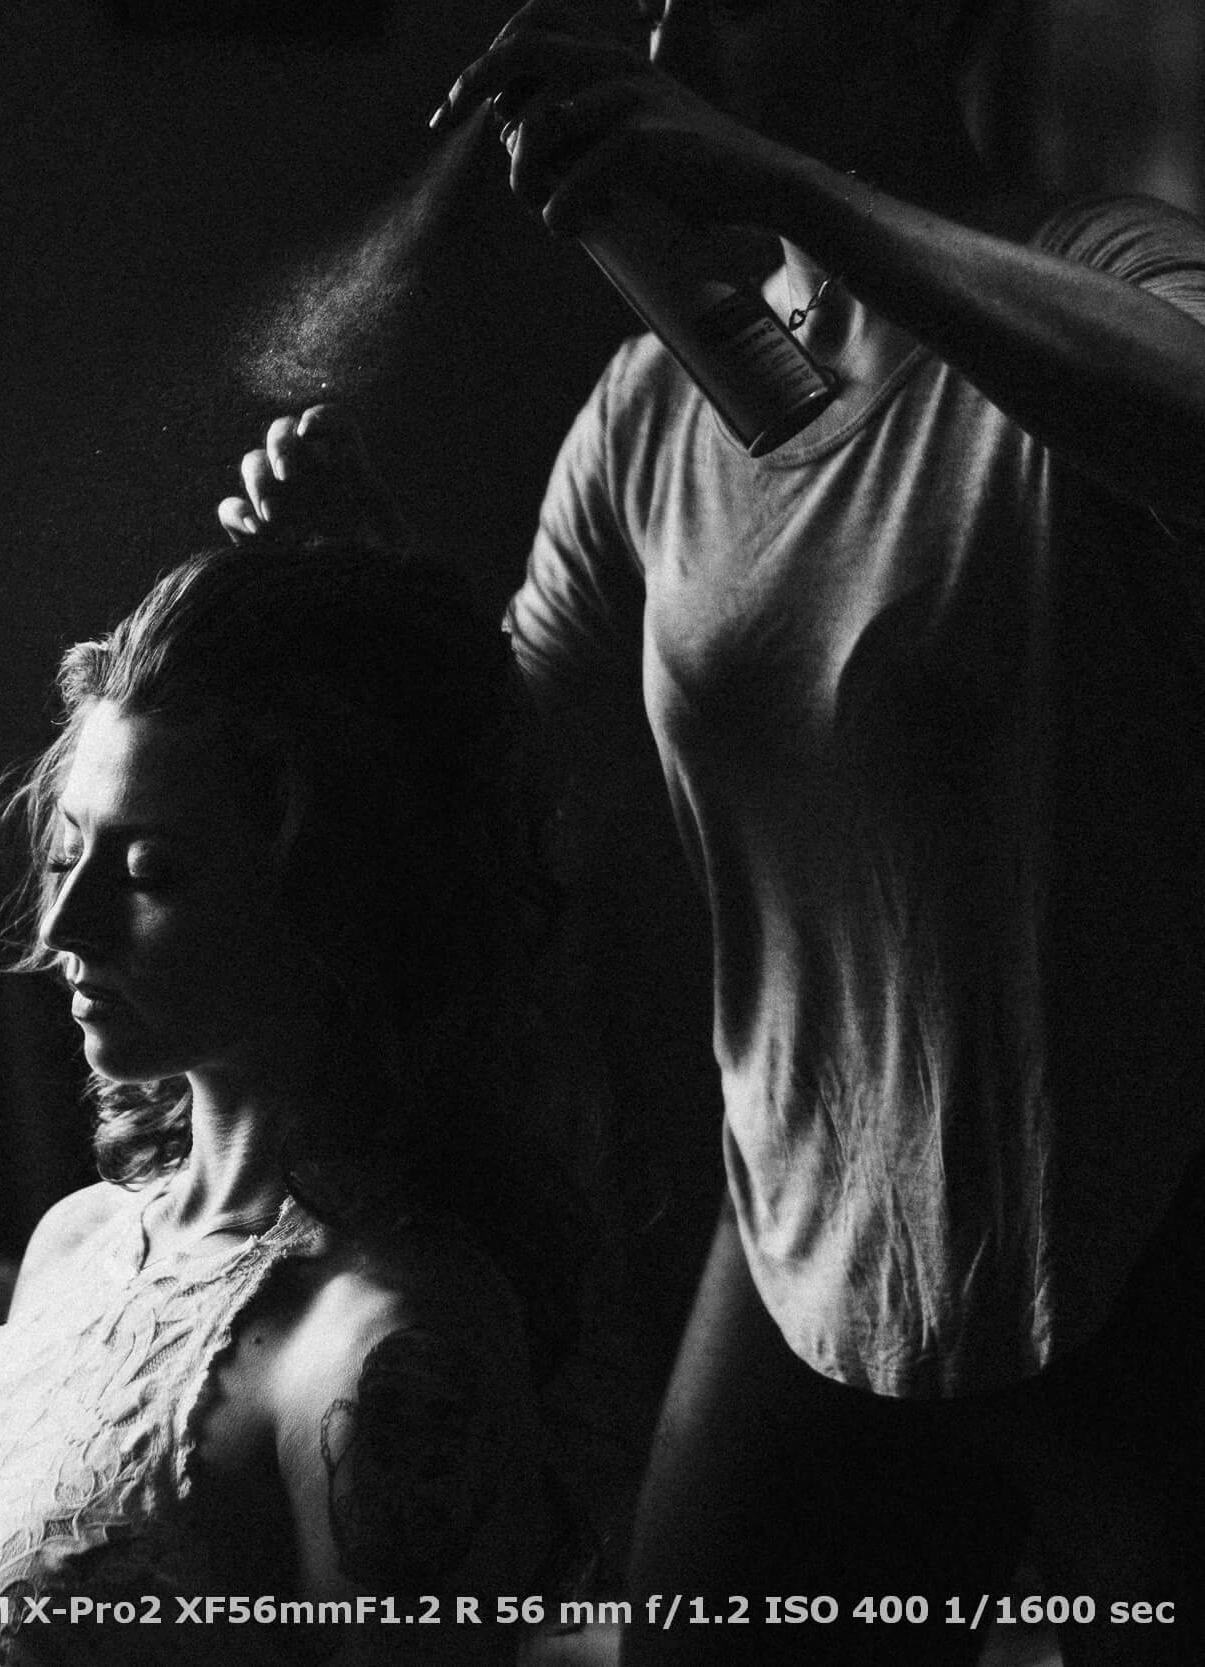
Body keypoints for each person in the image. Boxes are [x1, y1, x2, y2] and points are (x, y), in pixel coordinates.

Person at [224, 2, 1205, 1662]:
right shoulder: (655, 411)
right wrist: (369, 583)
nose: (674, 28)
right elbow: (509, 780)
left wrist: (798, 191)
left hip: (1143, 1221)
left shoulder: (1111, 263)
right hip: (816, 1225)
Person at [0, 540, 591, 1665]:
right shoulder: (81, 1237)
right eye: (64, 854)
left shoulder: (386, 1344)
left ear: (328, 900)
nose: (63, 930)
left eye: (150, 872)